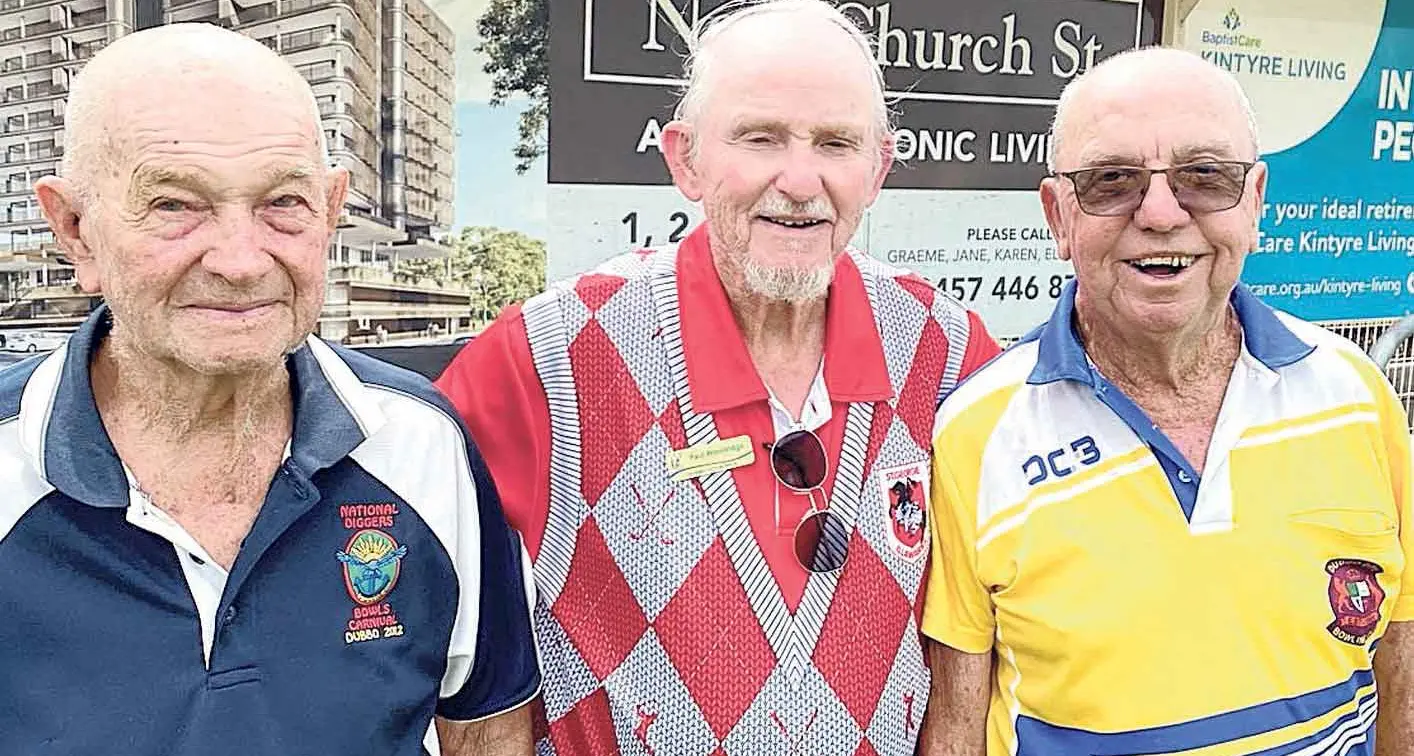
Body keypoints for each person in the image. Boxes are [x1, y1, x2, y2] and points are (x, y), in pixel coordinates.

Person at [435, 1, 1000, 752]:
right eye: (760, 138)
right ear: (685, 160)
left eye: (836, 143)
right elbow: (457, 653)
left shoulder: (948, 351)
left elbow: (972, 638)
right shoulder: (545, 359)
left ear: (879, 168)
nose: (800, 180)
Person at [0, 23, 539, 755]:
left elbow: (486, 727)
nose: (239, 260)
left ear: (331, 209)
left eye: (282, 202)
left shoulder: (422, 445)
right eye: (173, 205)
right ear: (75, 229)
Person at [920, 47, 1412, 756]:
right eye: (1112, 180)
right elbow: (957, 722)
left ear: (1256, 202)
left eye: (1205, 176)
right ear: (1059, 217)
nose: (1159, 212)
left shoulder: (1357, 395)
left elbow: (1400, 652)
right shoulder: (978, 430)